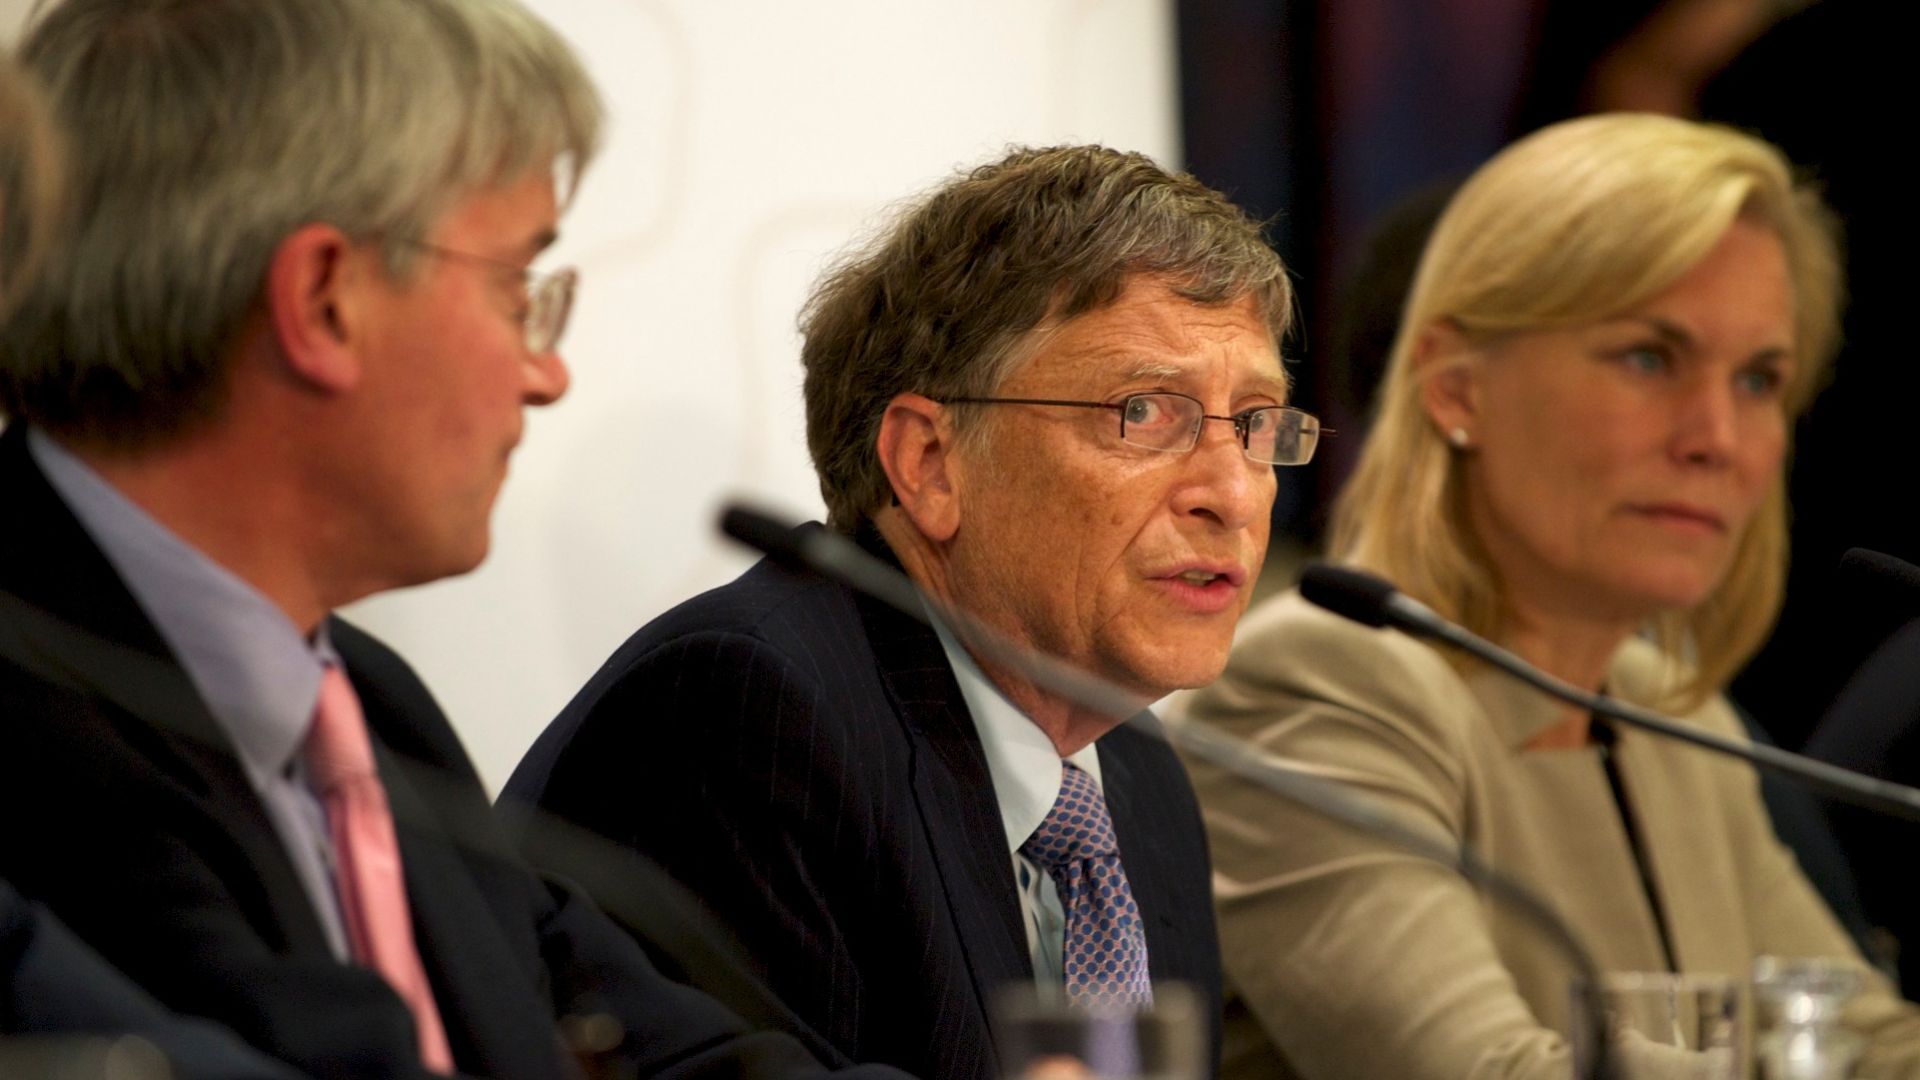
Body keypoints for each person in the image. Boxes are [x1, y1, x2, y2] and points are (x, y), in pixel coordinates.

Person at [0, 2, 911, 1078]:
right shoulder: (36, 710)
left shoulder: (371, 707)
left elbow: (672, 1056)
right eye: (517, 287)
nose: (547, 373)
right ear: (325, 301)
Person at [506, 144, 1306, 1080]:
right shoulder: (753, 714)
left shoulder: (1139, 778)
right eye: (1145, 412)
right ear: (929, 464)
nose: (1233, 495)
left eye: (1256, 424)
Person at [1172, 112, 1920, 1079]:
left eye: (1758, 380)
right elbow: (1487, 1074)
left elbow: (1863, 1042)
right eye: (1650, 358)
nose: (1717, 437)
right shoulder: (1321, 683)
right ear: (1457, 388)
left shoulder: (1664, 710)